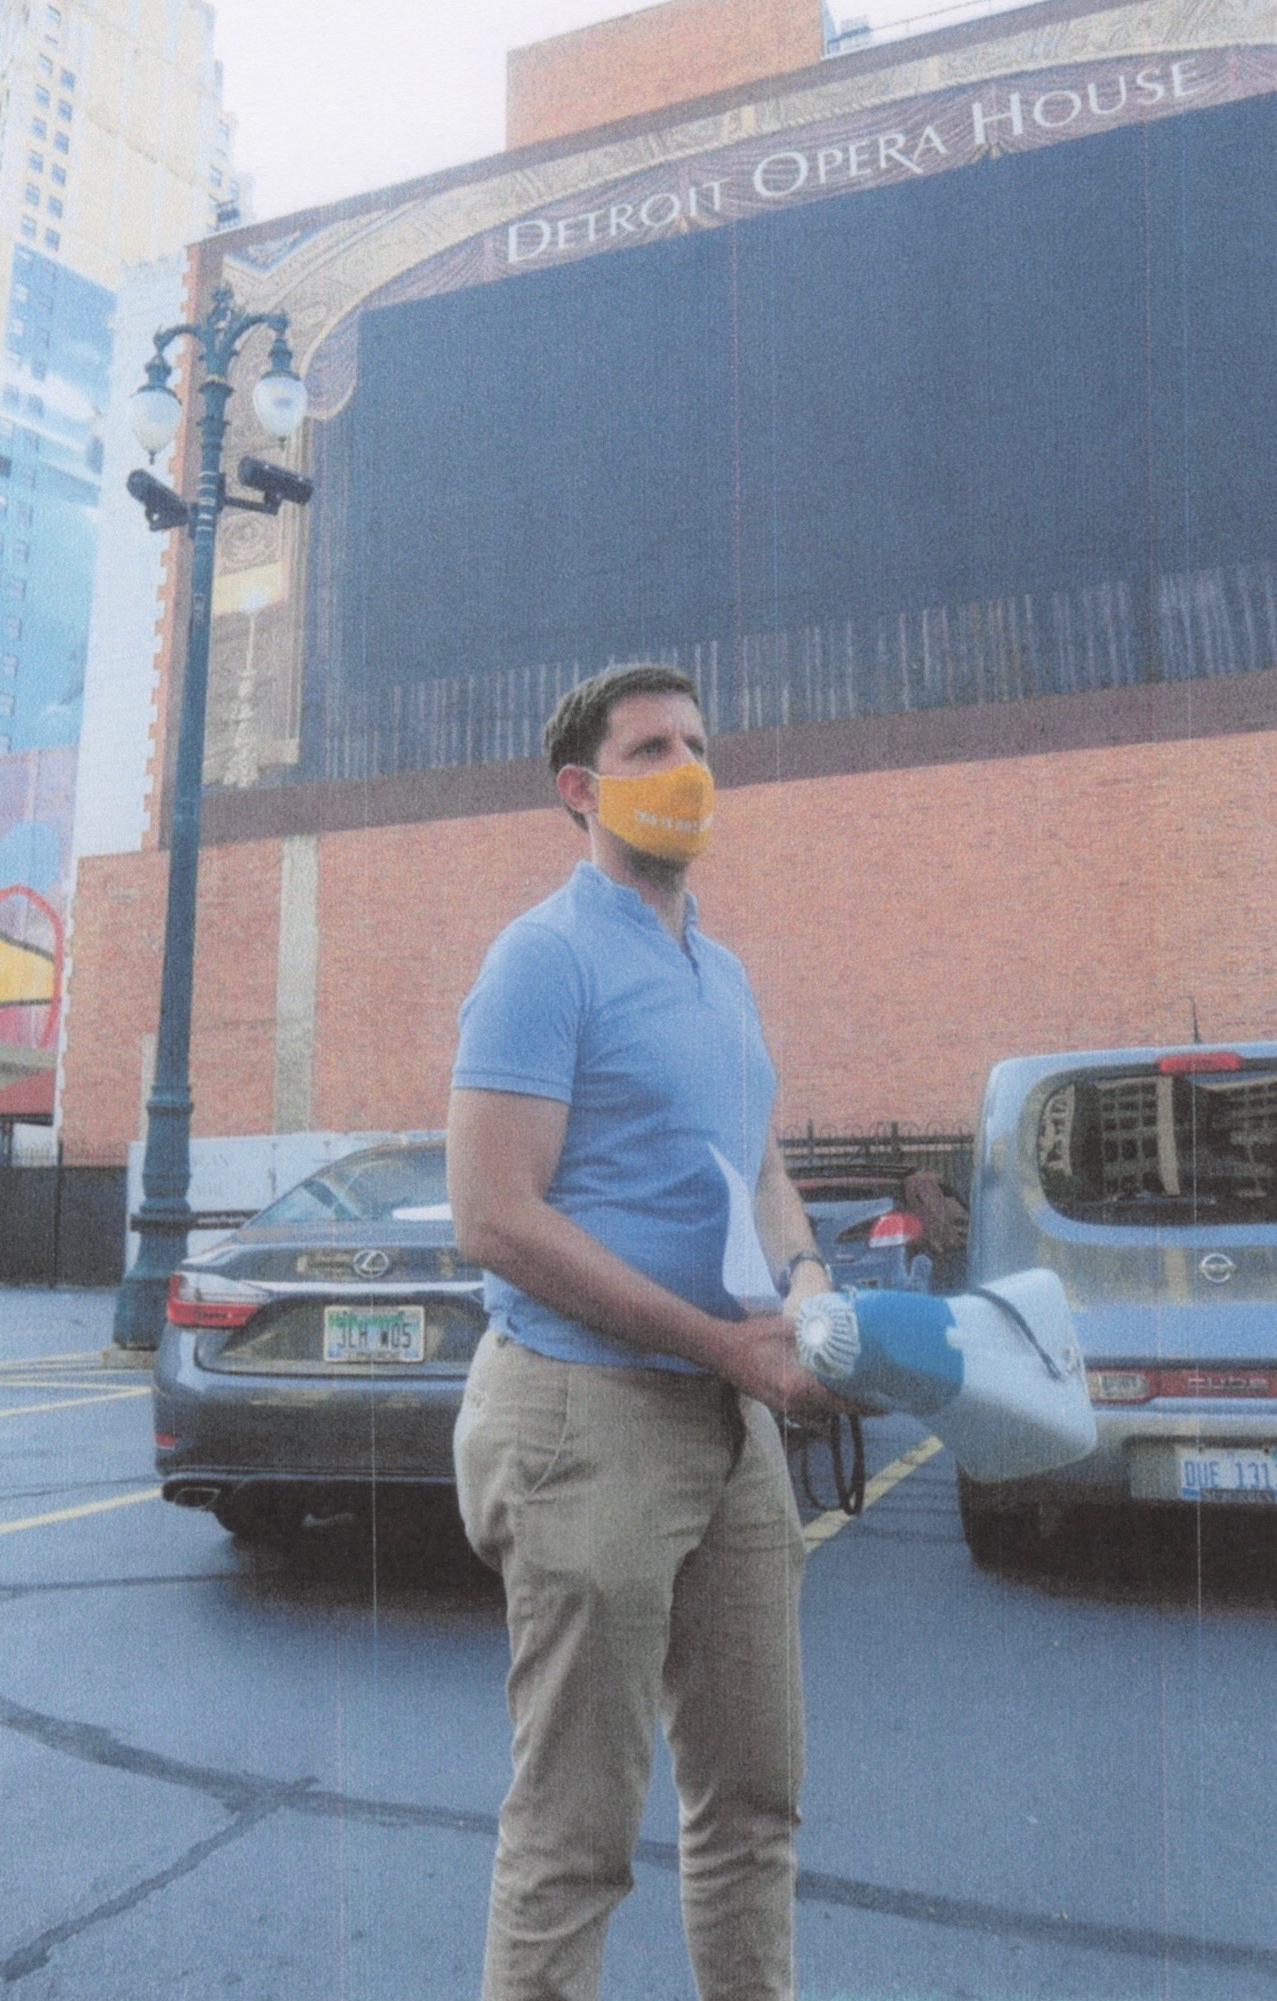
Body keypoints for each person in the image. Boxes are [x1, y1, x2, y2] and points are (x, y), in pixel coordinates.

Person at [448, 663, 842, 2001]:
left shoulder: (717, 971)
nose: (689, 769)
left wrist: (804, 1285)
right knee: (575, 1837)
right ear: (582, 787)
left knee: (754, 1803)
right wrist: (723, 1345)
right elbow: (493, 1214)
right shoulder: (542, 957)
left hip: (728, 1420)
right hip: (583, 1412)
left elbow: (758, 1158)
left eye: (697, 743)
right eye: (652, 748)